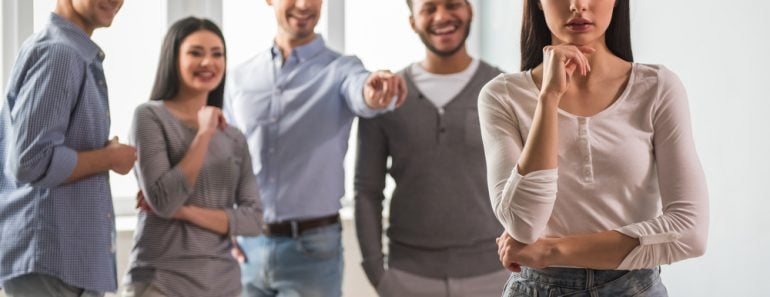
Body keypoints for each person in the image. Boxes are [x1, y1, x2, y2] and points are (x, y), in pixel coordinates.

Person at [479, 0, 709, 296]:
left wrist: (551, 251)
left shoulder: (657, 87)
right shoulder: (502, 96)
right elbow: (523, 225)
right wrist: (549, 98)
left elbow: (690, 234)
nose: (578, 5)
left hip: (634, 287)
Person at [224, 0, 407, 295]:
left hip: (312, 251)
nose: (304, 4)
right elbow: (226, 159)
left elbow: (362, 92)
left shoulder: (342, 69)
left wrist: (376, 91)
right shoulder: (238, 78)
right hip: (247, 249)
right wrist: (225, 223)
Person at [354, 0, 508, 296]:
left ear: (470, 11)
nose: (442, 16)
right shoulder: (386, 97)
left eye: (453, 5)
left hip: (495, 275)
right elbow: (366, 191)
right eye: (429, 8)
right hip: (408, 277)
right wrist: (376, 271)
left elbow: (530, 181)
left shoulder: (502, 88)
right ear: (412, 21)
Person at [0, 0, 135, 296]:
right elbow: (29, 160)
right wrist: (109, 158)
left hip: (60, 263)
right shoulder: (58, 53)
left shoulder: (68, 52)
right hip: (50, 262)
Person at [123, 17, 263, 297]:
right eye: (195, 53)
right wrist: (204, 134)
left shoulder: (234, 137)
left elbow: (253, 220)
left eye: (217, 54)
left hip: (222, 284)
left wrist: (182, 211)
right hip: (161, 282)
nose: (207, 63)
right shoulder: (149, 117)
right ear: (173, 58)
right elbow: (165, 199)